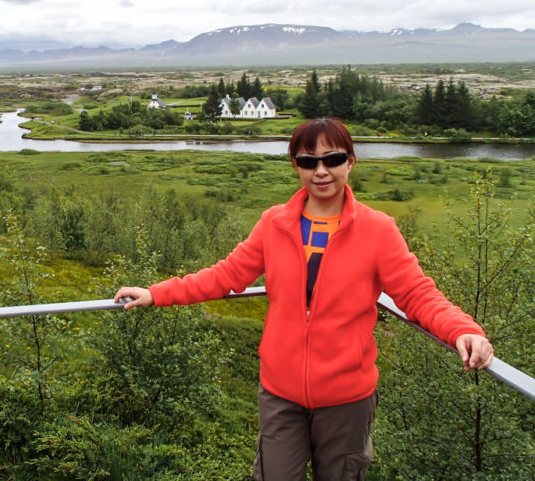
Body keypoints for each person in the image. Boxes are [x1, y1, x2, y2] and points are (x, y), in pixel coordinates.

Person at [114, 118, 494, 481]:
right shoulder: (274, 223)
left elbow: (415, 293)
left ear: (351, 161)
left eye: (333, 159)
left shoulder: (378, 230)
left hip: (347, 398)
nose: (321, 170)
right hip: (280, 393)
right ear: (296, 166)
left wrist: (461, 330)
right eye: (309, 161)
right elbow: (226, 276)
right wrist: (157, 293)